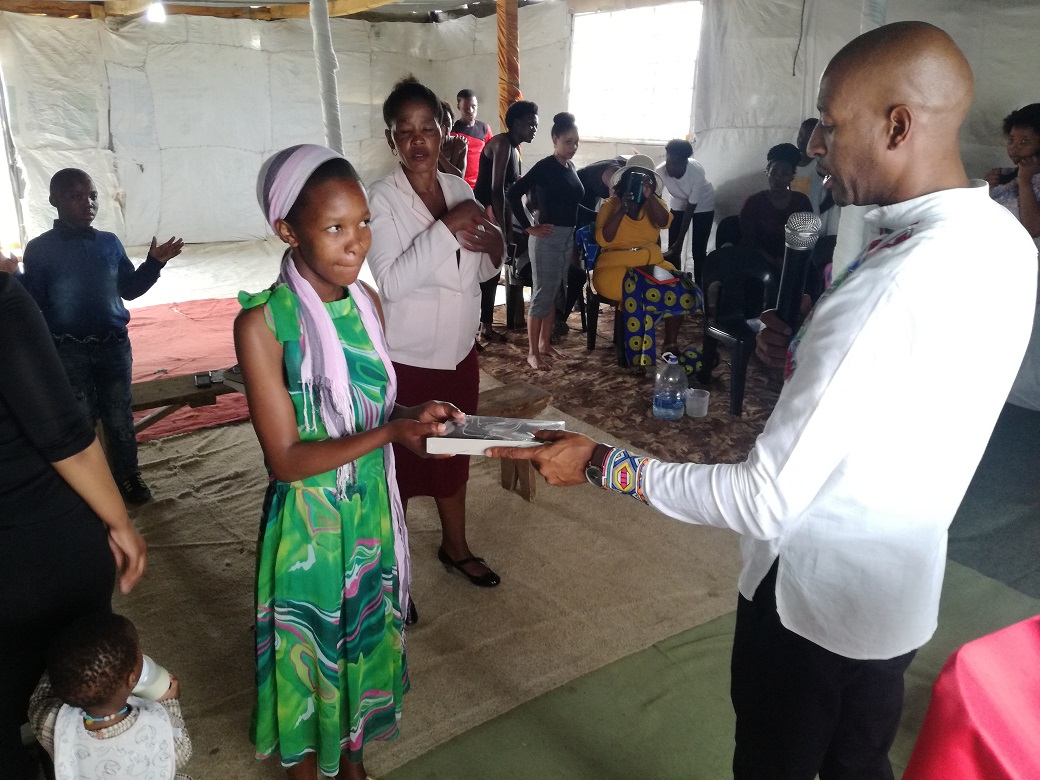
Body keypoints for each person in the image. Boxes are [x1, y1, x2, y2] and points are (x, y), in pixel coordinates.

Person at [491, 21, 1038, 780]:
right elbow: (915, 389)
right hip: (897, 594)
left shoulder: (891, 285)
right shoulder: (1005, 241)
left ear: (898, 125)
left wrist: (603, 464)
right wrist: (814, 354)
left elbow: (764, 498)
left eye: (830, 126)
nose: (816, 147)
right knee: (858, 763)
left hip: (809, 604)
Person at [235, 143, 462, 780]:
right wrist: (391, 431)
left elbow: (370, 408)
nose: (356, 242)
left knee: (358, 649)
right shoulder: (263, 325)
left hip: (368, 516)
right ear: (288, 231)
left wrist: (414, 416)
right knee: (312, 662)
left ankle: (354, 763)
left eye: (363, 222)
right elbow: (287, 459)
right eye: (334, 227)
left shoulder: (365, 303)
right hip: (311, 529)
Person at [0, 269, 146, 780]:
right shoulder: (3, 301)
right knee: (72, 691)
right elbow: (64, 435)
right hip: (38, 547)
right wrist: (120, 522)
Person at [368, 78, 505, 590]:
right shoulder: (380, 199)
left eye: (426, 127)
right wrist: (448, 227)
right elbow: (392, 283)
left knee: (454, 455)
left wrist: (497, 250)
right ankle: (393, 571)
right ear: (391, 139)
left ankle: (456, 546)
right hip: (409, 358)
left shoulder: (459, 190)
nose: (417, 139)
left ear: (443, 131)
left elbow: (479, 270)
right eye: (404, 130)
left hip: (459, 354)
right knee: (402, 467)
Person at [18, 168, 184, 505]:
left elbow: (129, 289)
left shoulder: (109, 243)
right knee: (80, 418)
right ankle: (89, 482)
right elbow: (33, 303)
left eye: (92, 195)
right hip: (68, 350)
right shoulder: (39, 249)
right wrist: (13, 280)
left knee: (119, 414)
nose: (88, 203)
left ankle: (127, 475)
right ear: (54, 200)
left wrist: (153, 264)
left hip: (113, 346)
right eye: (76, 196)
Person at [28, 612, 192, 780]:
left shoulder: (49, 720)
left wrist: (66, 669)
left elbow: (39, 698)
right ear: (132, 679)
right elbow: (181, 752)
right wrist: (168, 701)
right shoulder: (155, 722)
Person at [507, 112, 584, 370]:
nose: (573, 147)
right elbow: (513, 194)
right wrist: (529, 227)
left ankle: (544, 344)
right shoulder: (545, 167)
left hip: (565, 238)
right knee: (542, 295)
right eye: (568, 142)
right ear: (554, 140)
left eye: (576, 142)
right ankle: (532, 353)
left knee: (553, 293)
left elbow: (573, 205)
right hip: (547, 240)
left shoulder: (570, 167)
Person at [594, 154, 685, 354]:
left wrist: (649, 197)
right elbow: (604, 239)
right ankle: (636, 352)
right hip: (614, 269)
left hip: (652, 265)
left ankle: (670, 344)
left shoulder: (656, 204)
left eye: (646, 179)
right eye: (636, 178)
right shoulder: (611, 204)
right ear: (626, 179)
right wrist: (622, 210)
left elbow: (664, 222)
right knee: (638, 291)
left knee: (680, 287)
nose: (641, 183)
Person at [987, 103, 1040, 412]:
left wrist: (1025, 180)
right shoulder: (1006, 176)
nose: (1014, 148)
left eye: (1025, 141)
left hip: (1025, 274)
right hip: (995, 269)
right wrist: (988, 186)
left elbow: (1033, 227)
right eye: (1012, 140)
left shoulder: (1027, 179)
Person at [473, 99, 539, 343]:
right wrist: (502, 228)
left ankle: (485, 326)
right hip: (485, 210)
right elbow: (496, 190)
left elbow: (511, 190)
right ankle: (477, 327)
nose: (534, 129)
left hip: (499, 211)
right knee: (485, 271)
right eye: (531, 124)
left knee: (494, 271)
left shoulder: (514, 148)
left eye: (536, 125)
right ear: (517, 123)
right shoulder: (501, 143)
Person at [739, 143, 814, 269]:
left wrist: (788, 261)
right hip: (760, 264)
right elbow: (750, 242)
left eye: (784, 173)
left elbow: (807, 238)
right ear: (767, 172)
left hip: (795, 263)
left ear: (792, 176)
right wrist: (773, 262)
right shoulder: (754, 203)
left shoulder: (801, 202)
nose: (778, 177)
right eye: (774, 172)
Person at [657, 138, 716, 285]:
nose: (670, 168)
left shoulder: (696, 173)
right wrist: (675, 243)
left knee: (698, 250)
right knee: (673, 247)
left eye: (676, 164)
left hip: (703, 203)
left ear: (686, 162)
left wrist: (680, 241)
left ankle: (700, 286)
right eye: (668, 162)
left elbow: (690, 208)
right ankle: (675, 282)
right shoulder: (659, 172)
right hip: (678, 201)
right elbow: (655, 199)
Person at [452, 88, 493, 191]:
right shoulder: (453, 131)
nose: (470, 111)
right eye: (466, 108)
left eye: (473, 107)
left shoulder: (484, 129)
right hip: (460, 184)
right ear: (459, 107)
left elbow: (492, 156)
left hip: (482, 184)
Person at [437, 100, 468, 180]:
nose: (444, 124)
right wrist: (438, 153)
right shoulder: (430, 145)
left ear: (453, 122)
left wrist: (456, 150)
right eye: (440, 121)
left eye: (446, 120)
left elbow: (459, 179)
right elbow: (440, 178)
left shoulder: (460, 143)